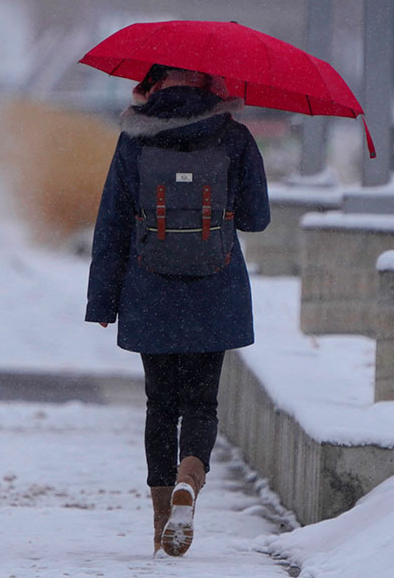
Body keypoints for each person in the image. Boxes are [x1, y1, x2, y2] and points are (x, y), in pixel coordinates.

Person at [85, 64, 270, 558]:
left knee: (160, 404)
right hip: (215, 284)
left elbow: (113, 222)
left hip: (152, 286)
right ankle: (192, 475)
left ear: (150, 85)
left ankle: (163, 514)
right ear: (214, 85)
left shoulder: (135, 139)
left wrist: (103, 300)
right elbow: (257, 218)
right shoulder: (234, 138)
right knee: (202, 402)